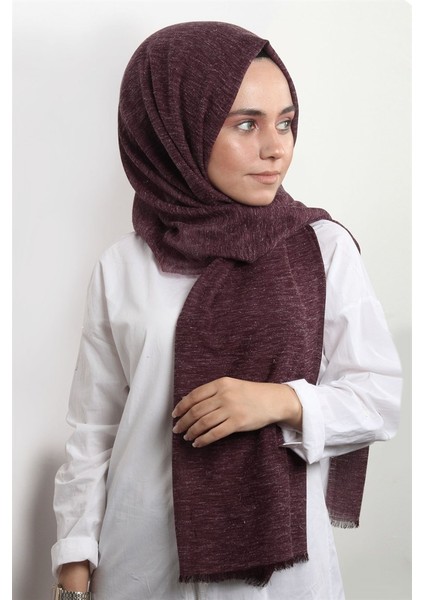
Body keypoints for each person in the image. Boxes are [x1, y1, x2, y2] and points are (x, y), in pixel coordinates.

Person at [51, 21, 402, 600]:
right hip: (142, 564)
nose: (276, 147)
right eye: (245, 124)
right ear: (175, 130)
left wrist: (279, 401)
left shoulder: (322, 248)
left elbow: (378, 398)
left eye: (285, 122)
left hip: (284, 579)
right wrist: (73, 562)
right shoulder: (124, 266)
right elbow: (95, 429)